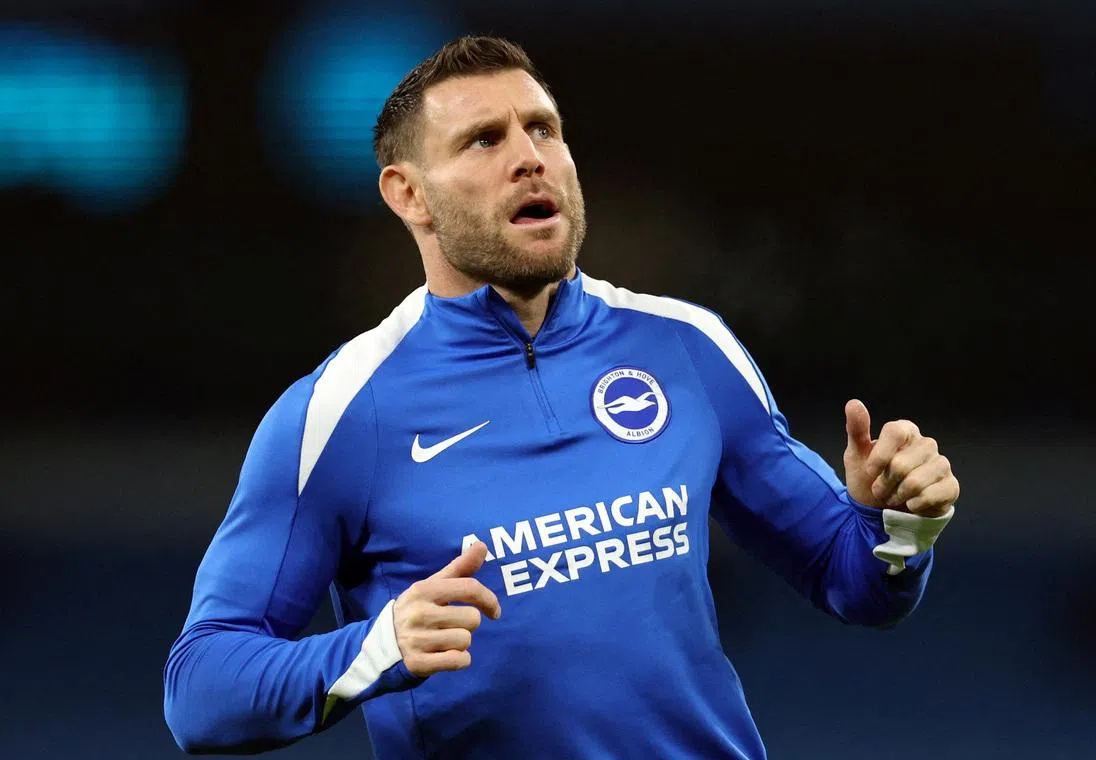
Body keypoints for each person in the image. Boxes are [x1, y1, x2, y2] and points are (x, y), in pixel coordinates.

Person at [163, 35, 959, 759]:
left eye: (543, 129)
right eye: (484, 140)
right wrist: (373, 648)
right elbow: (202, 692)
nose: (530, 157)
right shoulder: (339, 412)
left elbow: (853, 577)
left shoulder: (685, 346)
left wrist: (899, 527)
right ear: (408, 195)